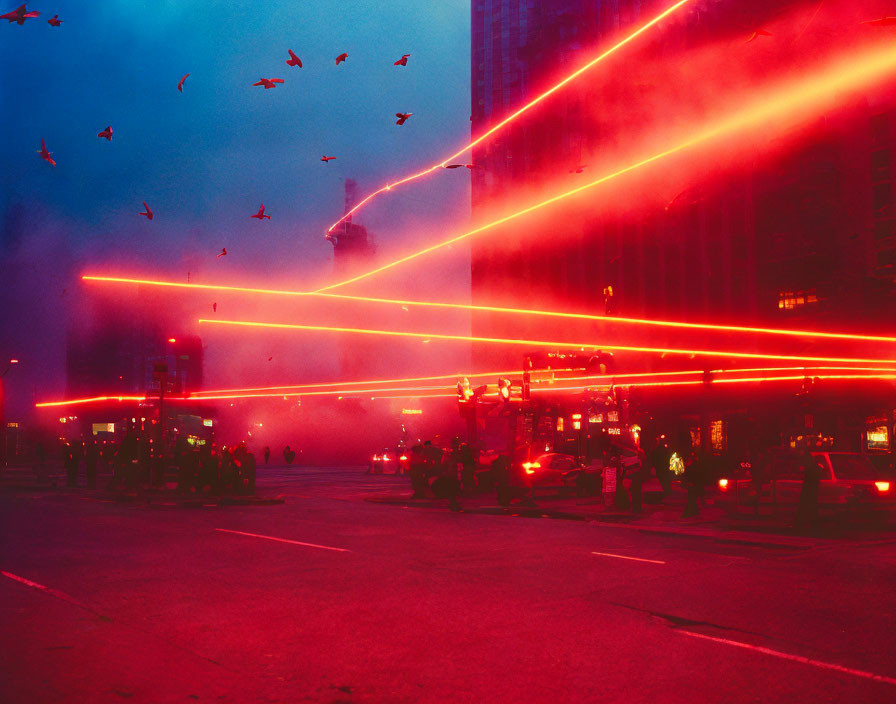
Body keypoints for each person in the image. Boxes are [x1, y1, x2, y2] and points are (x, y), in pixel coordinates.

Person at [796, 453, 821, 532]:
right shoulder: (816, 468)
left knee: (805, 507)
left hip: (808, 490)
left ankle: (803, 523)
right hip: (813, 490)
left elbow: (806, 479)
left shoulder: (809, 468)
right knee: (812, 507)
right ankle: (813, 523)